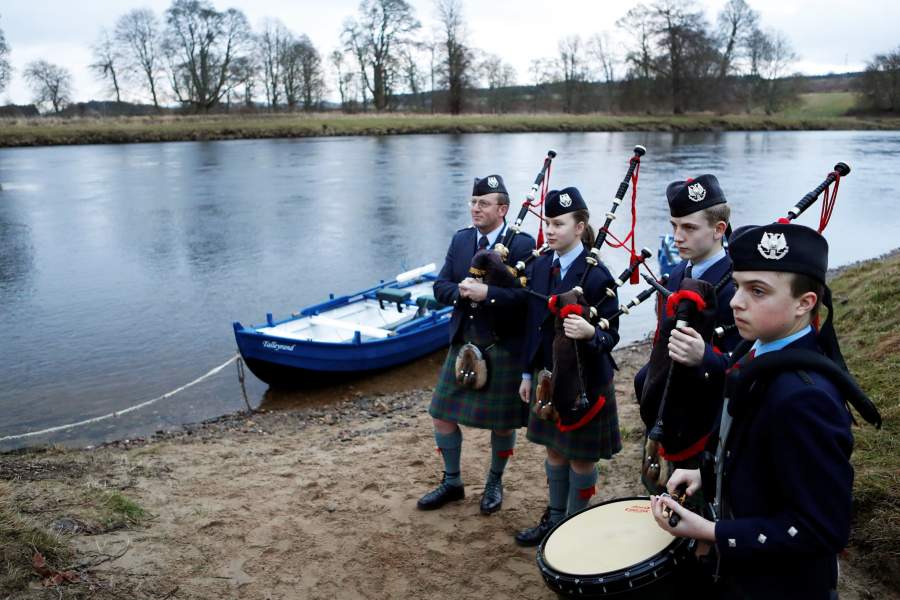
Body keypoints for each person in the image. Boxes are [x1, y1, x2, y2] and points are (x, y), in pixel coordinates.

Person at [650, 222, 881, 599]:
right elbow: (757, 454)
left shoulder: (806, 398)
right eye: (738, 285)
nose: (736, 302)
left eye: (757, 291)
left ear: (805, 303)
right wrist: (706, 474)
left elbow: (822, 529)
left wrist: (711, 532)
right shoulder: (754, 349)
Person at [419, 174, 535, 515]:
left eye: (483, 203)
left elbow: (528, 299)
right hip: (463, 341)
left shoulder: (522, 245)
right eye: (473, 202)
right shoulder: (461, 240)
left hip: (502, 343)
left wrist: (489, 294)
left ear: (503, 209)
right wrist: (461, 292)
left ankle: (494, 481)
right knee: (441, 416)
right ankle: (452, 482)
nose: (475, 208)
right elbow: (440, 286)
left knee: (502, 424)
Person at [513, 186, 622, 546]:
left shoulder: (597, 275)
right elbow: (533, 326)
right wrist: (527, 373)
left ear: (579, 227)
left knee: (581, 459)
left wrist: (591, 333)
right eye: (548, 222)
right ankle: (555, 518)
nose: (550, 230)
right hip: (548, 379)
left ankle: (575, 528)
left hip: (586, 383)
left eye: (559, 224)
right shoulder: (541, 265)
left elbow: (611, 336)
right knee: (555, 450)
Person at [635, 175, 741, 477]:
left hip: (707, 421)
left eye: (689, 228)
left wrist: (705, 358)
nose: (677, 237)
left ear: (719, 229)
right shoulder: (678, 272)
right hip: (666, 408)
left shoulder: (735, 286)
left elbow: (743, 363)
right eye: (674, 226)